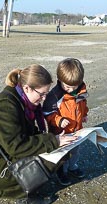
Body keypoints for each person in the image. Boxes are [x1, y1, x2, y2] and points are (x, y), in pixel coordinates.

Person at [0, 64, 77, 204]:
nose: (44, 99)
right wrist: (54, 140)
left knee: (60, 151)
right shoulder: (5, 107)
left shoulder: (20, 101)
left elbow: (27, 132)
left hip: (4, 154)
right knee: (52, 158)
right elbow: (17, 146)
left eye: (46, 94)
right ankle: (24, 196)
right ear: (27, 88)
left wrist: (55, 139)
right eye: (42, 94)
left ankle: (27, 186)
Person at [43, 58, 89, 186]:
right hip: (61, 133)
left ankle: (73, 166)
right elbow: (47, 113)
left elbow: (83, 104)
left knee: (75, 151)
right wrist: (59, 120)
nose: (70, 89)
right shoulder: (55, 95)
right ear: (59, 80)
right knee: (62, 154)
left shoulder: (81, 90)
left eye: (74, 86)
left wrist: (84, 114)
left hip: (77, 131)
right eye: (67, 86)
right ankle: (60, 171)